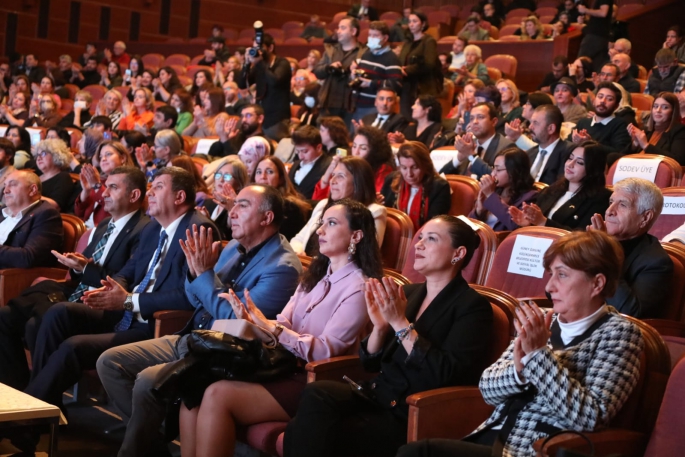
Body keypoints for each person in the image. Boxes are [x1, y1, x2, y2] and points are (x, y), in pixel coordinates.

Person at [397, 230, 644, 457]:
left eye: (562, 275)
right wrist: (518, 372)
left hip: (535, 450)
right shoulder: (544, 321)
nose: (549, 287)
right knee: (414, 452)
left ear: (597, 283)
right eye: (551, 274)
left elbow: (589, 417)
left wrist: (537, 355)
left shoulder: (619, 333)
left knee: (417, 454)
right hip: (493, 439)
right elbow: (487, 388)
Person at [97, 184, 301, 457]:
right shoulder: (233, 248)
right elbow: (195, 299)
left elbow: (239, 320)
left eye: (243, 206)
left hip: (227, 353)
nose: (233, 213)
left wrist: (203, 274)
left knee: (148, 381)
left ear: (267, 218)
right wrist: (197, 274)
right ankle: (156, 445)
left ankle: (135, 450)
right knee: (109, 362)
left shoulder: (282, 267)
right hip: (195, 337)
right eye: (234, 204)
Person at [179, 198, 382, 457]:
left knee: (218, 394)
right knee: (193, 387)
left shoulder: (359, 287)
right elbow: (283, 325)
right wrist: (251, 320)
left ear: (356, 235)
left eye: (331, 223)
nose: (320, 230)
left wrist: (272, 329)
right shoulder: (316, 276)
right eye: (322, 223)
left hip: (316, 380)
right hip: (281, 364)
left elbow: (326, 352)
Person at [285, 215, 494, 457]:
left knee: (305, 430)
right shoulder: (410, 292)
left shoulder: (472, 307)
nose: (419, 244)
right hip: (377, 394)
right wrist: (380, 327)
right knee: (316, 392)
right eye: (421, 237)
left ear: (458, 253)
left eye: (432, 239)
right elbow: (370, 362)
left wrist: (399, 322)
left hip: (413, 409)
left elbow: (444, 372)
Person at [0, 167, 148, 393]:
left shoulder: (143, 229)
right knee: (5, 317)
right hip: (77, 290)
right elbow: (85, 267)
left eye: (113, 187)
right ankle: (16, 391)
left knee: (37, 322)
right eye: (105, 186)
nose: (104, 193)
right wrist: (77, 266)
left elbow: (122, 280)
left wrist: (85, 268)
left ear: (134, 195)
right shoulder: (103, 226)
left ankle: (40, 403)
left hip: (105, 303)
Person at [588, 177, 672, 318]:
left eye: (622, 205)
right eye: (611, 202)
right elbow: (556, 290)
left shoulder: (657, 263)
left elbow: (630, 313)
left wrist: (604, 253)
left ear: (645, 217)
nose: (609, 211)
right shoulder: (594, 242)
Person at [290, 156, 386, 255]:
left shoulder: (374, 212)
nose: (332, 181)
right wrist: (300, 254)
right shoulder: (323, 205)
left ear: (358, 182)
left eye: (340, 176)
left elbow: (366, 254)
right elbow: (298, 239)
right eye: (333, 175)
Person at [510, 140, 611, 231]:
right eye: (570, 158)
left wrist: (543, 222)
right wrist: (528, 223)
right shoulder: (551, 190)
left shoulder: (600, 199)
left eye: (579, 162)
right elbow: (536, 225)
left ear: (593, 170)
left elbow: (582, 238)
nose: (570, 164)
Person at [0, 169, 63, 269]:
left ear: (32, 190)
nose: (5, 191)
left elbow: (29, 257)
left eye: (12, 185)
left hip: (12, 277)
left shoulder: (46, 214)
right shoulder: (2, 212)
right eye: (5, 185)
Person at [381, 141, 450, 230]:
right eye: (404, 168)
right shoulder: (391, 179)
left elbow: (435, 225)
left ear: (426, 166)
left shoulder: (439, 187)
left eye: (414, 167)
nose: (409, 174)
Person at [239, 33, 292, 141]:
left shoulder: (282, 63)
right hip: (261, 118)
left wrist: (259, 63)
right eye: (254, 48)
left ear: (271, 48)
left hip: (277, 119)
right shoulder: (260, 65)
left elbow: (275, 81)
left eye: (260, 48)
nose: (257, 51)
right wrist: (246, 64)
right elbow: (242, 84)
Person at [440, 103, 515, 179]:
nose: (475, 121)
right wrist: (459, 157)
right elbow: (441, 176)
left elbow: (498, 178)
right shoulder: (468, 144)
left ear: (494, 122)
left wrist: (471, 155)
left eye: (480, 117)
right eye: (471, 118)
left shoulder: (506, 147)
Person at [470, 147, 538, 231]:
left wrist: (491, 195)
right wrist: (478, 211)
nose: (493, 173)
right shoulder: (496, 189)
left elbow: (515, 225)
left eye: (498, 169)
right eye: (493, 168)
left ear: (514, 172)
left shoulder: (530, 197)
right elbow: (469, 226)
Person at [314, 17, 363, 128]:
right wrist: (329, 68)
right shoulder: (331, 51)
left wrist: (354, 73)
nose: (338, 31)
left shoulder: (363, 52)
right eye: (338, 28)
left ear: (353, 31)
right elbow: (317, 71)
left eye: (343, 28)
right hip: (328, 102)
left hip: (351, 105)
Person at [75, 141, 134, 227]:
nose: (103, 159)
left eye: (108, 154)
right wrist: (86, 191)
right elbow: (79, 213)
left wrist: (97, 186)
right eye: (100, 156)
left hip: (105, 231)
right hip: (84, 229)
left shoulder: (130, 181)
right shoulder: (99, 180)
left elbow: (116, 207)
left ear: (123, 158)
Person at [351, 21, 403, 121]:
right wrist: (354, 75)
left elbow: (396, 84)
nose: (371, 38)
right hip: (358, 104)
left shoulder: (391, 59)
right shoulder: (366, 54)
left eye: (375, 35)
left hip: (374, 107)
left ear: (385, 38)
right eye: (370, 35)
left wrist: (371, 83)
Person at [253, 156, 310, 240]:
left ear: (281, 178)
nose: (262, 176)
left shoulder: (289, 207)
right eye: (258, 172)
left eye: (269, 172)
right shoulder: (249, 202)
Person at [621, 92, 685, 165]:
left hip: (657, 171)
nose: (658, 110)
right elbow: (622, 157)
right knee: (612, 157)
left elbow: (679, 160)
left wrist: (646, 145)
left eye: (665, 107)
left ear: (673, 112)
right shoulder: (646, 129)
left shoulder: (680, 131)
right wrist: (636, 143)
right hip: (636, 167)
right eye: (655, 106)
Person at [398, 11, 439, 119]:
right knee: (406, 118)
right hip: (407, 87)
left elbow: (429, 64)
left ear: (423, 24)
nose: (411, 24)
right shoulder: (408, 43)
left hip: (422, 87)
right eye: (409, 21)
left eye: (414, 21)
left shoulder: (429, 41)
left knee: (419, 118)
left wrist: (407, 70)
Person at [570, 82, 631, 153]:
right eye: (600, 97)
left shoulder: (620, 124)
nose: (602, 101)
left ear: (616, 106)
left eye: (609, 99)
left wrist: (590, 143)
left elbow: (619, 153)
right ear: (594, 101)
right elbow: (566, 144)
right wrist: (574, 141)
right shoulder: (583, 122)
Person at [199, 156, 248, 241]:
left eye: (227, 176)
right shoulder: (207, 202)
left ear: (239, 183)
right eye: (218, 175)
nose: (221, 180)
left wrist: (208, 222)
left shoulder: (241, 209)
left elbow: (229, 238)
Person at [527, 105, 575, 185]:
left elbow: (562, 186)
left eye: (535, 123)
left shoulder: (568, 152)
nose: (530, 127)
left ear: (551, 129)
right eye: (531, 122)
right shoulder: (530, 153)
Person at [287, 125, 333, 200]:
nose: (300, 156)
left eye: (305, 151)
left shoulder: (329, 166)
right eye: (298, 151)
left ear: (318, 148)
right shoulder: (296, 164)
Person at [32, 139, 76, 212]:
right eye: (37, 155)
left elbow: (56, 205)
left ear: (56, 155)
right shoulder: (35, 177)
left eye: (43, 154)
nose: (39, 158)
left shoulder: (63, 177)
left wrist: (30, 196)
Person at [577, 0, 612, 71]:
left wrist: (585, 10)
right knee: (597, 67)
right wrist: (586, 19)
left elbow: (603, 13)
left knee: (580, 64)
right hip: (600, 36)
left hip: (595, 36)